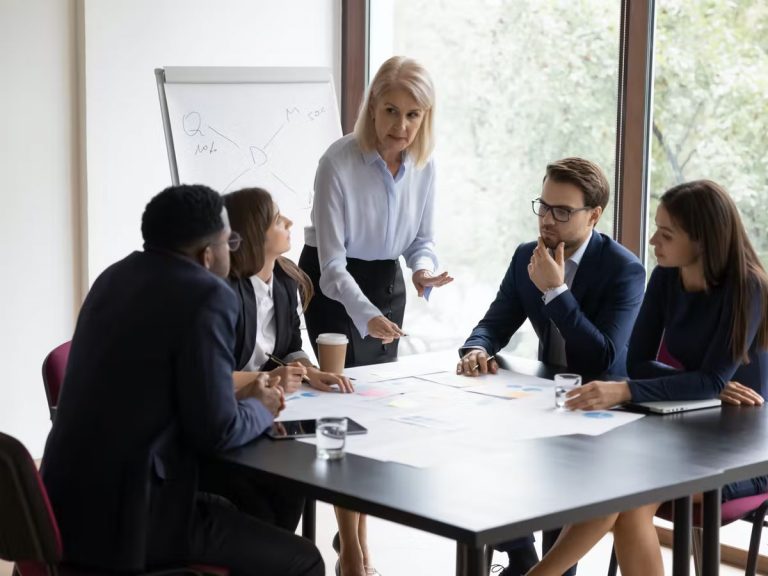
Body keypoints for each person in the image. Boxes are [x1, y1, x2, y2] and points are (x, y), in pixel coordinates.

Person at [41, 185, 323, 576]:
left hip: (59, 506)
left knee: (265, 501)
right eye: (230, 242)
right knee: (305, 560)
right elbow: (218, 431)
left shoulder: (113, 277)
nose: (233, 251)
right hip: (132, 520)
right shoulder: (207, 295)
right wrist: (261, 406)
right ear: (207, 254)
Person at [529, 180, 768, 576]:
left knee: (630, 496)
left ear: (703, 241)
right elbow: (640, 362)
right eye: (657, 228)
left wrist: (636, 389)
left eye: (667, 234)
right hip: (688, 429)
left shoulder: (748, 287)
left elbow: (702, 382)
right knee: (621, 487)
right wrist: (703, 384)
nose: (654, 240)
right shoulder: (666, 277)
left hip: (745, 449)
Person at [298, 56, 452, 576]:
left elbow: (420, 241)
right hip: (333, 286)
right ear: (372, 107)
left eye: (413, 115)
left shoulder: (425, 165)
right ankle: (353, 549)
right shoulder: (337, 162)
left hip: (386, 284)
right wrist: (365, 317)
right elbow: (332, 267)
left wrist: (423, 271)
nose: (400, 126)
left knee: (375, 416)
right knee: (344, 413)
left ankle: (356, 540)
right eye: (391, 110)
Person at [455, 157, 645, 576]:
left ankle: (544, 566)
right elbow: (494, 323)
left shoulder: (624, 270)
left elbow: (602, 357)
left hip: (605, 412)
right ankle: (522, 555)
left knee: (551, 472)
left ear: (593, 215)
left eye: (562, 211)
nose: (546, 220)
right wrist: (477, 348)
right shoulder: (527, 256)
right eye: (543, 206)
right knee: (475, 449)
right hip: (548, 399)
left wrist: (556, 291)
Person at [201, 186, 353, 533]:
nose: (289, 222)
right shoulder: (223, 291)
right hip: (230, 418)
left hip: (267, 411)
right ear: (254, 233)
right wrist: (269, 379)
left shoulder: (285, 281)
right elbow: (211, 377)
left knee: (294, 479)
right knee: (270, 499)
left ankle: (283, 549)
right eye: (276, 219)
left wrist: (310, 372)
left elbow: (291, 346)